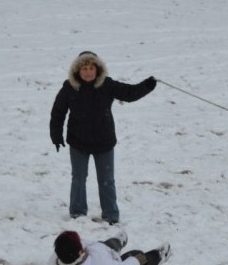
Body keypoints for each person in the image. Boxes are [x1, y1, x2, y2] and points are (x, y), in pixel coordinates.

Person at [50, 51, 157, 223]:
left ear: (98, 69)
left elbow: (129, 93)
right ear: (77, 71)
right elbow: (58, 112)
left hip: (104, 142)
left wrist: (147, 85)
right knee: (78, 179)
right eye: (84, 68)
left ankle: (111, 215)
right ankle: (77, 212)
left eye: (91, 68)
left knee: (107, 180)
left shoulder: (107, 85)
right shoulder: (69, 87)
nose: (88, 72)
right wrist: (56, 135)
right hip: (78, 142)